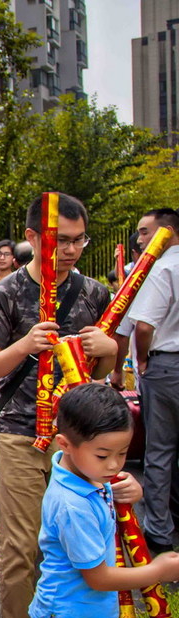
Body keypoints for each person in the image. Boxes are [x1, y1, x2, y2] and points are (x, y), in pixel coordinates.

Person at [0, 191, 132, 618]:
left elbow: (110, 374)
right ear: (34, 239)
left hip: (82, 444)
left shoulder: (95, 292)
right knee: (20, 548)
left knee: (85, 542)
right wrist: (25, 345)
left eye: (77, 240)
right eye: (59, 240)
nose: (69, 250)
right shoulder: (6, 293)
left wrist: (110, 352)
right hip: (21, 434)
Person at [28, 383, 179, 618]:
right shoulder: (71, 504)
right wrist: (156, 571)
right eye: (104, 455)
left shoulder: (86, 474)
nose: (115, 466)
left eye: (124, 454)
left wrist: (133, 489)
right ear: (64, 443)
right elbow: (97, 578)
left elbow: (111, 483)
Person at [128, 207, 179, 554]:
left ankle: (159, 530)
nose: (141, 240)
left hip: (166, 367)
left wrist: (142, 359)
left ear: (168, 233)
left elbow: (144, 325)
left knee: (160, 450)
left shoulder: (163, 267)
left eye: (146, 232)